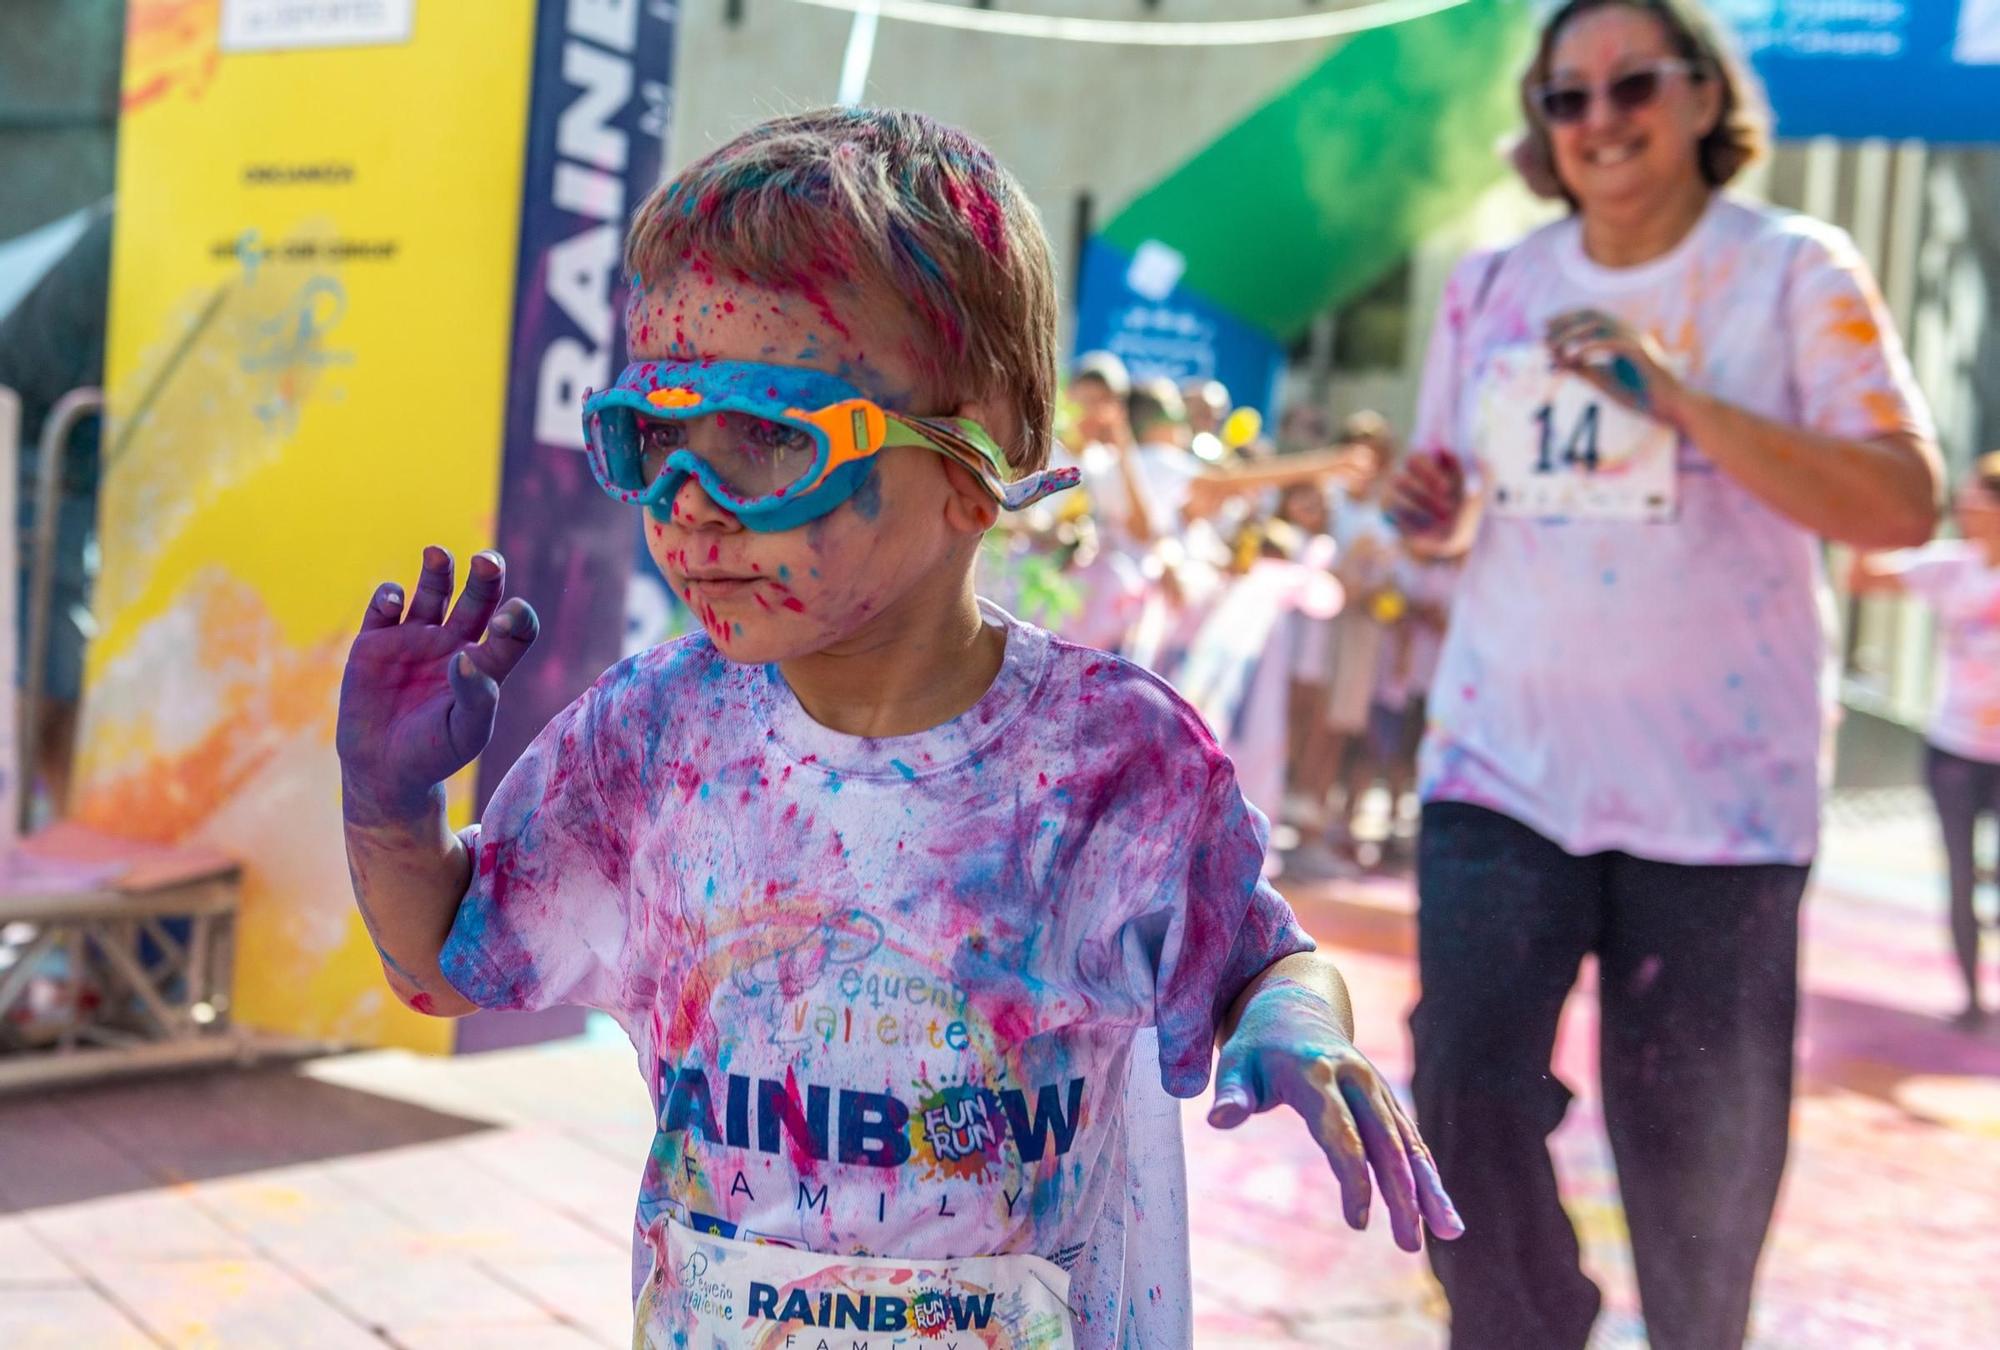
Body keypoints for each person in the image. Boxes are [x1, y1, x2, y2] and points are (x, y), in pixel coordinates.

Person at [336, 108, 1459, 1349]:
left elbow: (1263, 959)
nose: (691, 505)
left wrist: (1295, 1025)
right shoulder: (647, 748)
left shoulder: (1103, 766)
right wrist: (387, 807)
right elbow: (441, 964)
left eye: (767, 437)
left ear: (978, 466)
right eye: (652, 436)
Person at [1386, 3, 1940, 1347]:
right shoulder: (1491, 284)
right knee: (1460, 1086)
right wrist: (1428, 507)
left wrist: (1682, 399)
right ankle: (1531, 1322)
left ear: (1702, 96)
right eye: (1565, 98)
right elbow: (1453, 518)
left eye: (1631, 83)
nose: (1599, 120)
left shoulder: (1792, 270)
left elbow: (1903, 502)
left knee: (1701, 1186)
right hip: (1502, 762)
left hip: (1721, 802)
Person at [1850, 452, 2000, 1031]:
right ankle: (1972, 1000)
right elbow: (1862, 577)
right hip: (1956, 749)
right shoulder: (1951, 569)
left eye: (1975, 497)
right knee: (1960, 876)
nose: (1964, 505)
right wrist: (1879, 516)